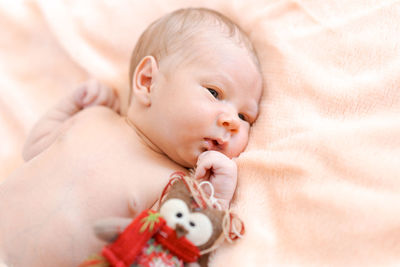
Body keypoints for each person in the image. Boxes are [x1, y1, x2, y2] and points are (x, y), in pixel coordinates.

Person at [0, 7, 262, 267]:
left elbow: (182, 244)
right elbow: (34, 149)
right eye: (214, 93)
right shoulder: (95, 117)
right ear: (148, 81)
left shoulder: (177, 187)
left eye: (245, 117)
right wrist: (72, 105)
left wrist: (215, 196)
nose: (232, 121)